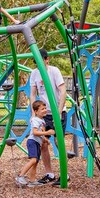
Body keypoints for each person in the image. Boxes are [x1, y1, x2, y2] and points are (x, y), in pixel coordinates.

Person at [29, 48, 68, 186]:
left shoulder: (54, 71)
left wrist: (58, 111)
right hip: (43, 114)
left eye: (41, 61)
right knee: (43, 142)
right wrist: (33, 115)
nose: (39, 65)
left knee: (59, 142)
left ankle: (65, 175)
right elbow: (33, 94)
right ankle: (49, 174)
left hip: (58, 112)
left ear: (47, 59)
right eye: (36, 63)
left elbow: (63, 91)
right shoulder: (34, 73)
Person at [15, 100, 55, 188]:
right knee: (33, 160)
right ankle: (20, 176)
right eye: (42, 109)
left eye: (45, 108)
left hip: (37, 143)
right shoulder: (35, 120)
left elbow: (41, 133)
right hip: (32, 142)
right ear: (36, 111)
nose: (44, 110)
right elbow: (35, 132)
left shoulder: (42, 121)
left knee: (36, 162)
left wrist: (45, 140)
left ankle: (32, 181)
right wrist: (47, 133)